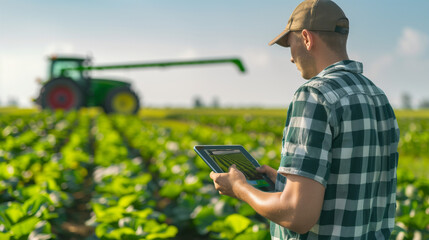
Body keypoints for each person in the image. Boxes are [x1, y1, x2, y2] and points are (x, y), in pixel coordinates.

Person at [209, 0, 400, 239]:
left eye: (290, 44)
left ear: (307, 39)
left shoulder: (314, 95)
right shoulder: (378, 97)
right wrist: (283, 182)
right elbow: (349, 184)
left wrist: (240, 188)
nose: (291, 58)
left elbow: (297, 216)